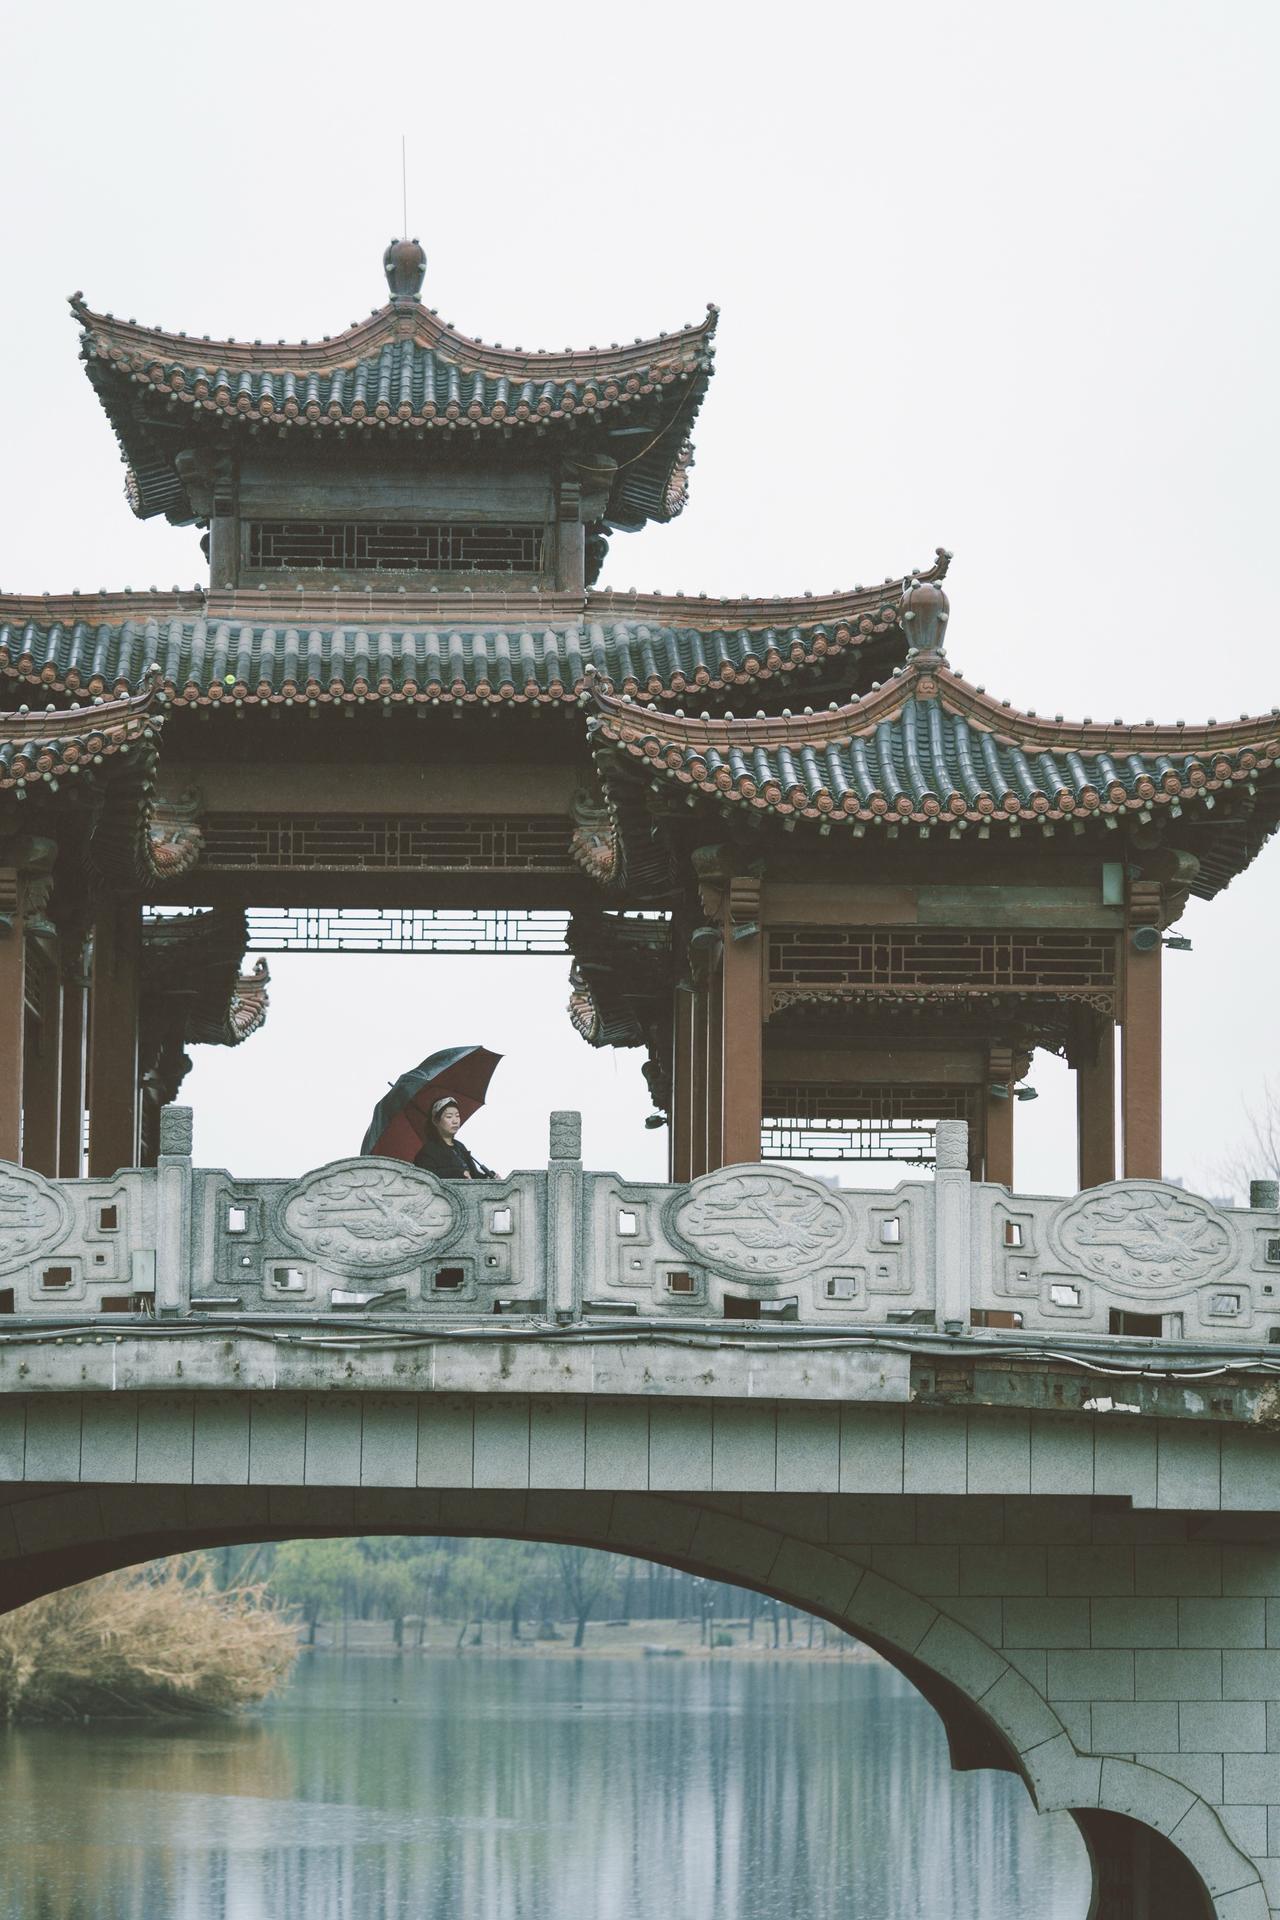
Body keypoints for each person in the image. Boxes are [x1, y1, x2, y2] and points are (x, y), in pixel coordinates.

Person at [413, 1095, 494, 1180]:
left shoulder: (460, 1146)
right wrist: (457, 1173)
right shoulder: (429, 1151)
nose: (455, 1121)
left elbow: (473, 1175)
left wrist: (488, 1177)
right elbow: (425, 1176)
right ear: (435, 1121)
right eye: (449, 1116)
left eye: (457, 1116)